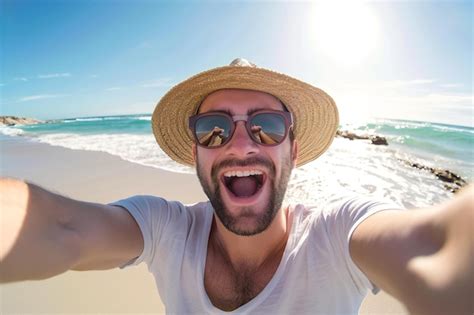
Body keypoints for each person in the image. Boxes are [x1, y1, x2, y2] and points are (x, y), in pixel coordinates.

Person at [0, 58, 472, 315]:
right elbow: (61, 228)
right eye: (213, 129)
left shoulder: (336, 236)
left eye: (266, 125)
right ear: (195, 153)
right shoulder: (167, 229)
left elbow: (434, 249)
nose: (241, 143)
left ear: (295, 150)